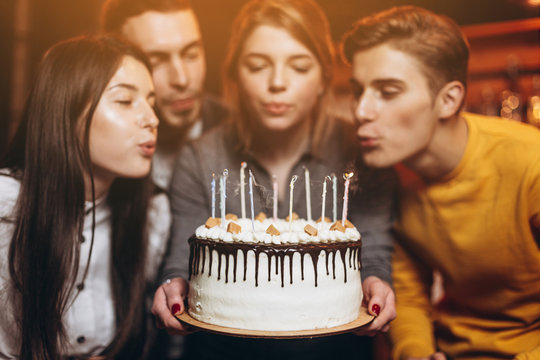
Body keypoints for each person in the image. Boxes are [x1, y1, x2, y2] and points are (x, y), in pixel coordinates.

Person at [152, 0, 397, 358]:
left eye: (298, 67)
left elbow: (371, 252)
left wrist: (377, 285)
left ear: (323, 78)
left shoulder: (362, 151)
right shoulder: (201, 157)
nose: (277, 83)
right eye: (257, 66)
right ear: (235, 72)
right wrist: (172, 286)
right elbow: (184, 259)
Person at [341, 6, 540, 360]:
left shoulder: (531, 164)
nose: (361, 110)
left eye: (387, 91)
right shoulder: (391, 181)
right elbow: (409, 293)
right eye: (359, 90)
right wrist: (416, 353)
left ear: (448, 100)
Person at [0, 35, 170, 359]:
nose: (152, 119)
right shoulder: (5, 205)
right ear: (66, 108)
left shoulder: (152, 213)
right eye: (124, 101)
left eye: (152, 102)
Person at [101, 0, 227, 191]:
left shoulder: (241, 135)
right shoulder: (99, 154)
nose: (182, 79)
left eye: (191, 54)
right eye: (156, 61)